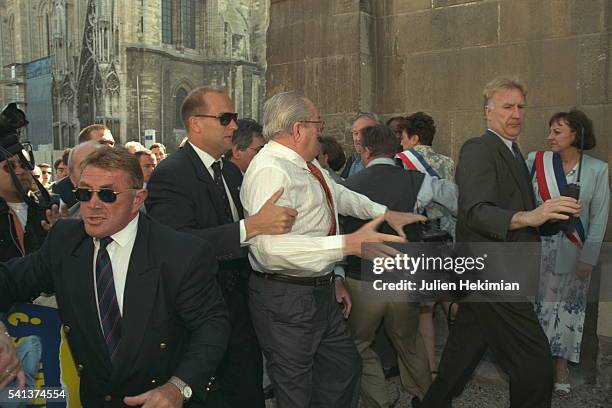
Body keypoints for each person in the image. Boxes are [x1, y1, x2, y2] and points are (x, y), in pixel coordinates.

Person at [0, 146, 230, 407]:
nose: (93, 205)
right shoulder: (64, 242)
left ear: (137, 199)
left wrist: (178, 387)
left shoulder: (181, 253)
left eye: (108, 195)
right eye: (85, 193)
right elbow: (8, 281)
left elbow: (211, 328)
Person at [241, 91, 426, 408]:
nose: (322, 131)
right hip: (286, 298)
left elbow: (338, 194)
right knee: (295, 388)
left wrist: (383, 212)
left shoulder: (306, 164)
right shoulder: (271, 171)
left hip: (319, 291)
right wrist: (347, 245)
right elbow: (269, 250)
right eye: (318, 124)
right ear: (298, 129)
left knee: (344, 367)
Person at [415, 77, 582, 408]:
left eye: (521, 107)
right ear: (488, 112)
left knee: (462, 352)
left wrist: (549, 219)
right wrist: (531, 216)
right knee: (534, 365)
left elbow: (515, 214)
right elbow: (476, 212)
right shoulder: (479, 148)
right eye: (508, 106)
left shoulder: (515, 153)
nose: (517, 114)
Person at [147, 86, 297, 408]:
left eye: (235, 118)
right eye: (225, 118)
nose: (234, 126)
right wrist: (251, 227)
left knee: (248, 393)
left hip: (242, 310)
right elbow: (176, 245)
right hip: (199, 317)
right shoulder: (170, 174)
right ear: (196, 124)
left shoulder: (229, 171)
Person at [342, 124, 457, 407]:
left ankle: (378, 400)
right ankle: (426, 397)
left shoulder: (348, 186)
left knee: (357, 344)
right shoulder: (414, 180)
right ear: (396, 151)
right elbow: (455, 198)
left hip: (362, 278)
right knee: (410, 343)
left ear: (365, 151)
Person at [527, 109, 609, 396]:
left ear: (576, 134)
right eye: (549, 131)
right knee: (536, 310)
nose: (549, 137)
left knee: (567, 313)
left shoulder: (597, 170)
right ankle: (535, 368)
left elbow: (599, 217)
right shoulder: (536, 162)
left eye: (557, 131)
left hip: (574, 251)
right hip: (539, 248)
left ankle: (560, 369)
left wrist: (589, 256)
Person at [396, 112, 457, 378]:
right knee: (449, 297)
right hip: (448, 238)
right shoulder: (448, 161)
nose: (401, 143)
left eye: (403, 137)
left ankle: (431, 368)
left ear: (414, 138)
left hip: (422, 239)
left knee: (425, 309)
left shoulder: (402, 162)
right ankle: (459, 359)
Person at [341, 113, 379, 179]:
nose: (358, 138)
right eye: (356, 133)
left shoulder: (384, 162)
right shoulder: (352, 161)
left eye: (364, 133)